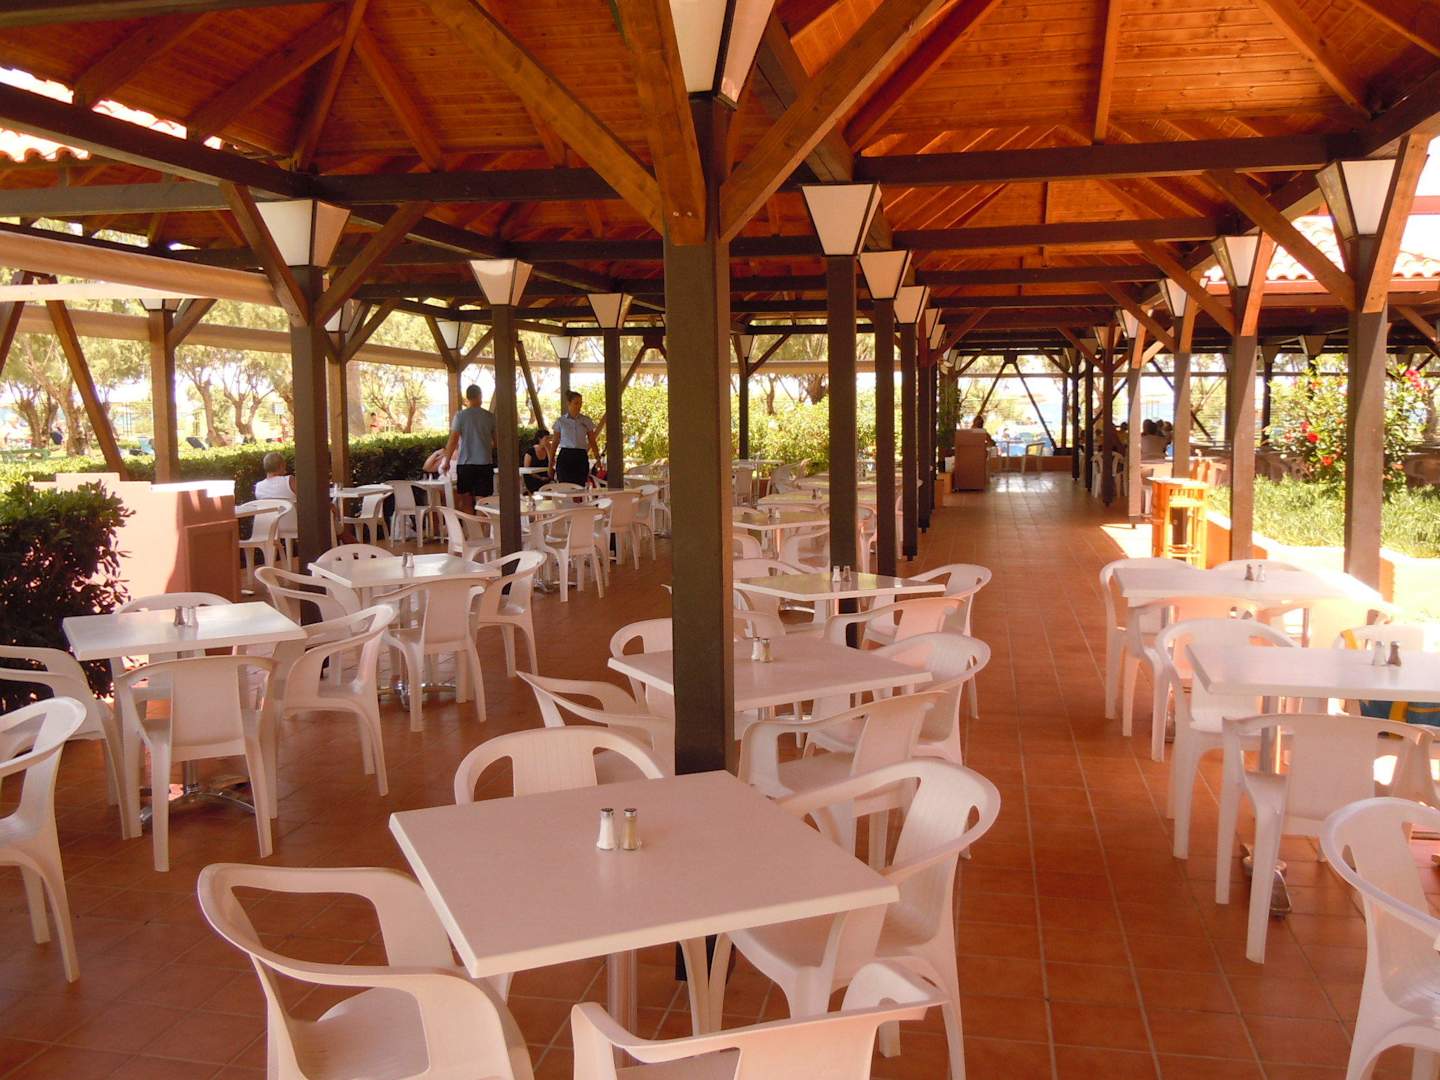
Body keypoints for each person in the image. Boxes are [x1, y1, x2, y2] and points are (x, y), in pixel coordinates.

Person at [440, 384, 497, 514]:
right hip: (484, 463)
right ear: (480, 396)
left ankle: (470, 526)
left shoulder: (460, 416)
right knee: (483, 502)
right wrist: (485, 446)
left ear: (467, 398)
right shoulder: (489, 417)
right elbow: (496, 442)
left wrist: (447, 461)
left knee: (466, 501)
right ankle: (482, 526)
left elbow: (453, 440)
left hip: (465, 464)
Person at [550, 391, 599, 486]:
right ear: (569, 403)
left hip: (580, 455)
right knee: (564, 485)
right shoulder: (560, 421)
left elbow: (592, 440)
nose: (579, 406)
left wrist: (598, 458)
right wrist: (550, 462)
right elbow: (555, 442)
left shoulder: (586, 420)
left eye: (580, 403)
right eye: (576, 403)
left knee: (580, 485)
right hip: (565, 455)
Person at [523, 427, 551, 493]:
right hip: (533, 478)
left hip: (546, 478)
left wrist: (548, 450)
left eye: (549, 439)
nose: (548, 441)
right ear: (539, 439)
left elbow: (551, 464)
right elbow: (526, 469)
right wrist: (540, 478)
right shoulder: (530, 452)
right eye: (546, 439)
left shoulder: (547, 451)